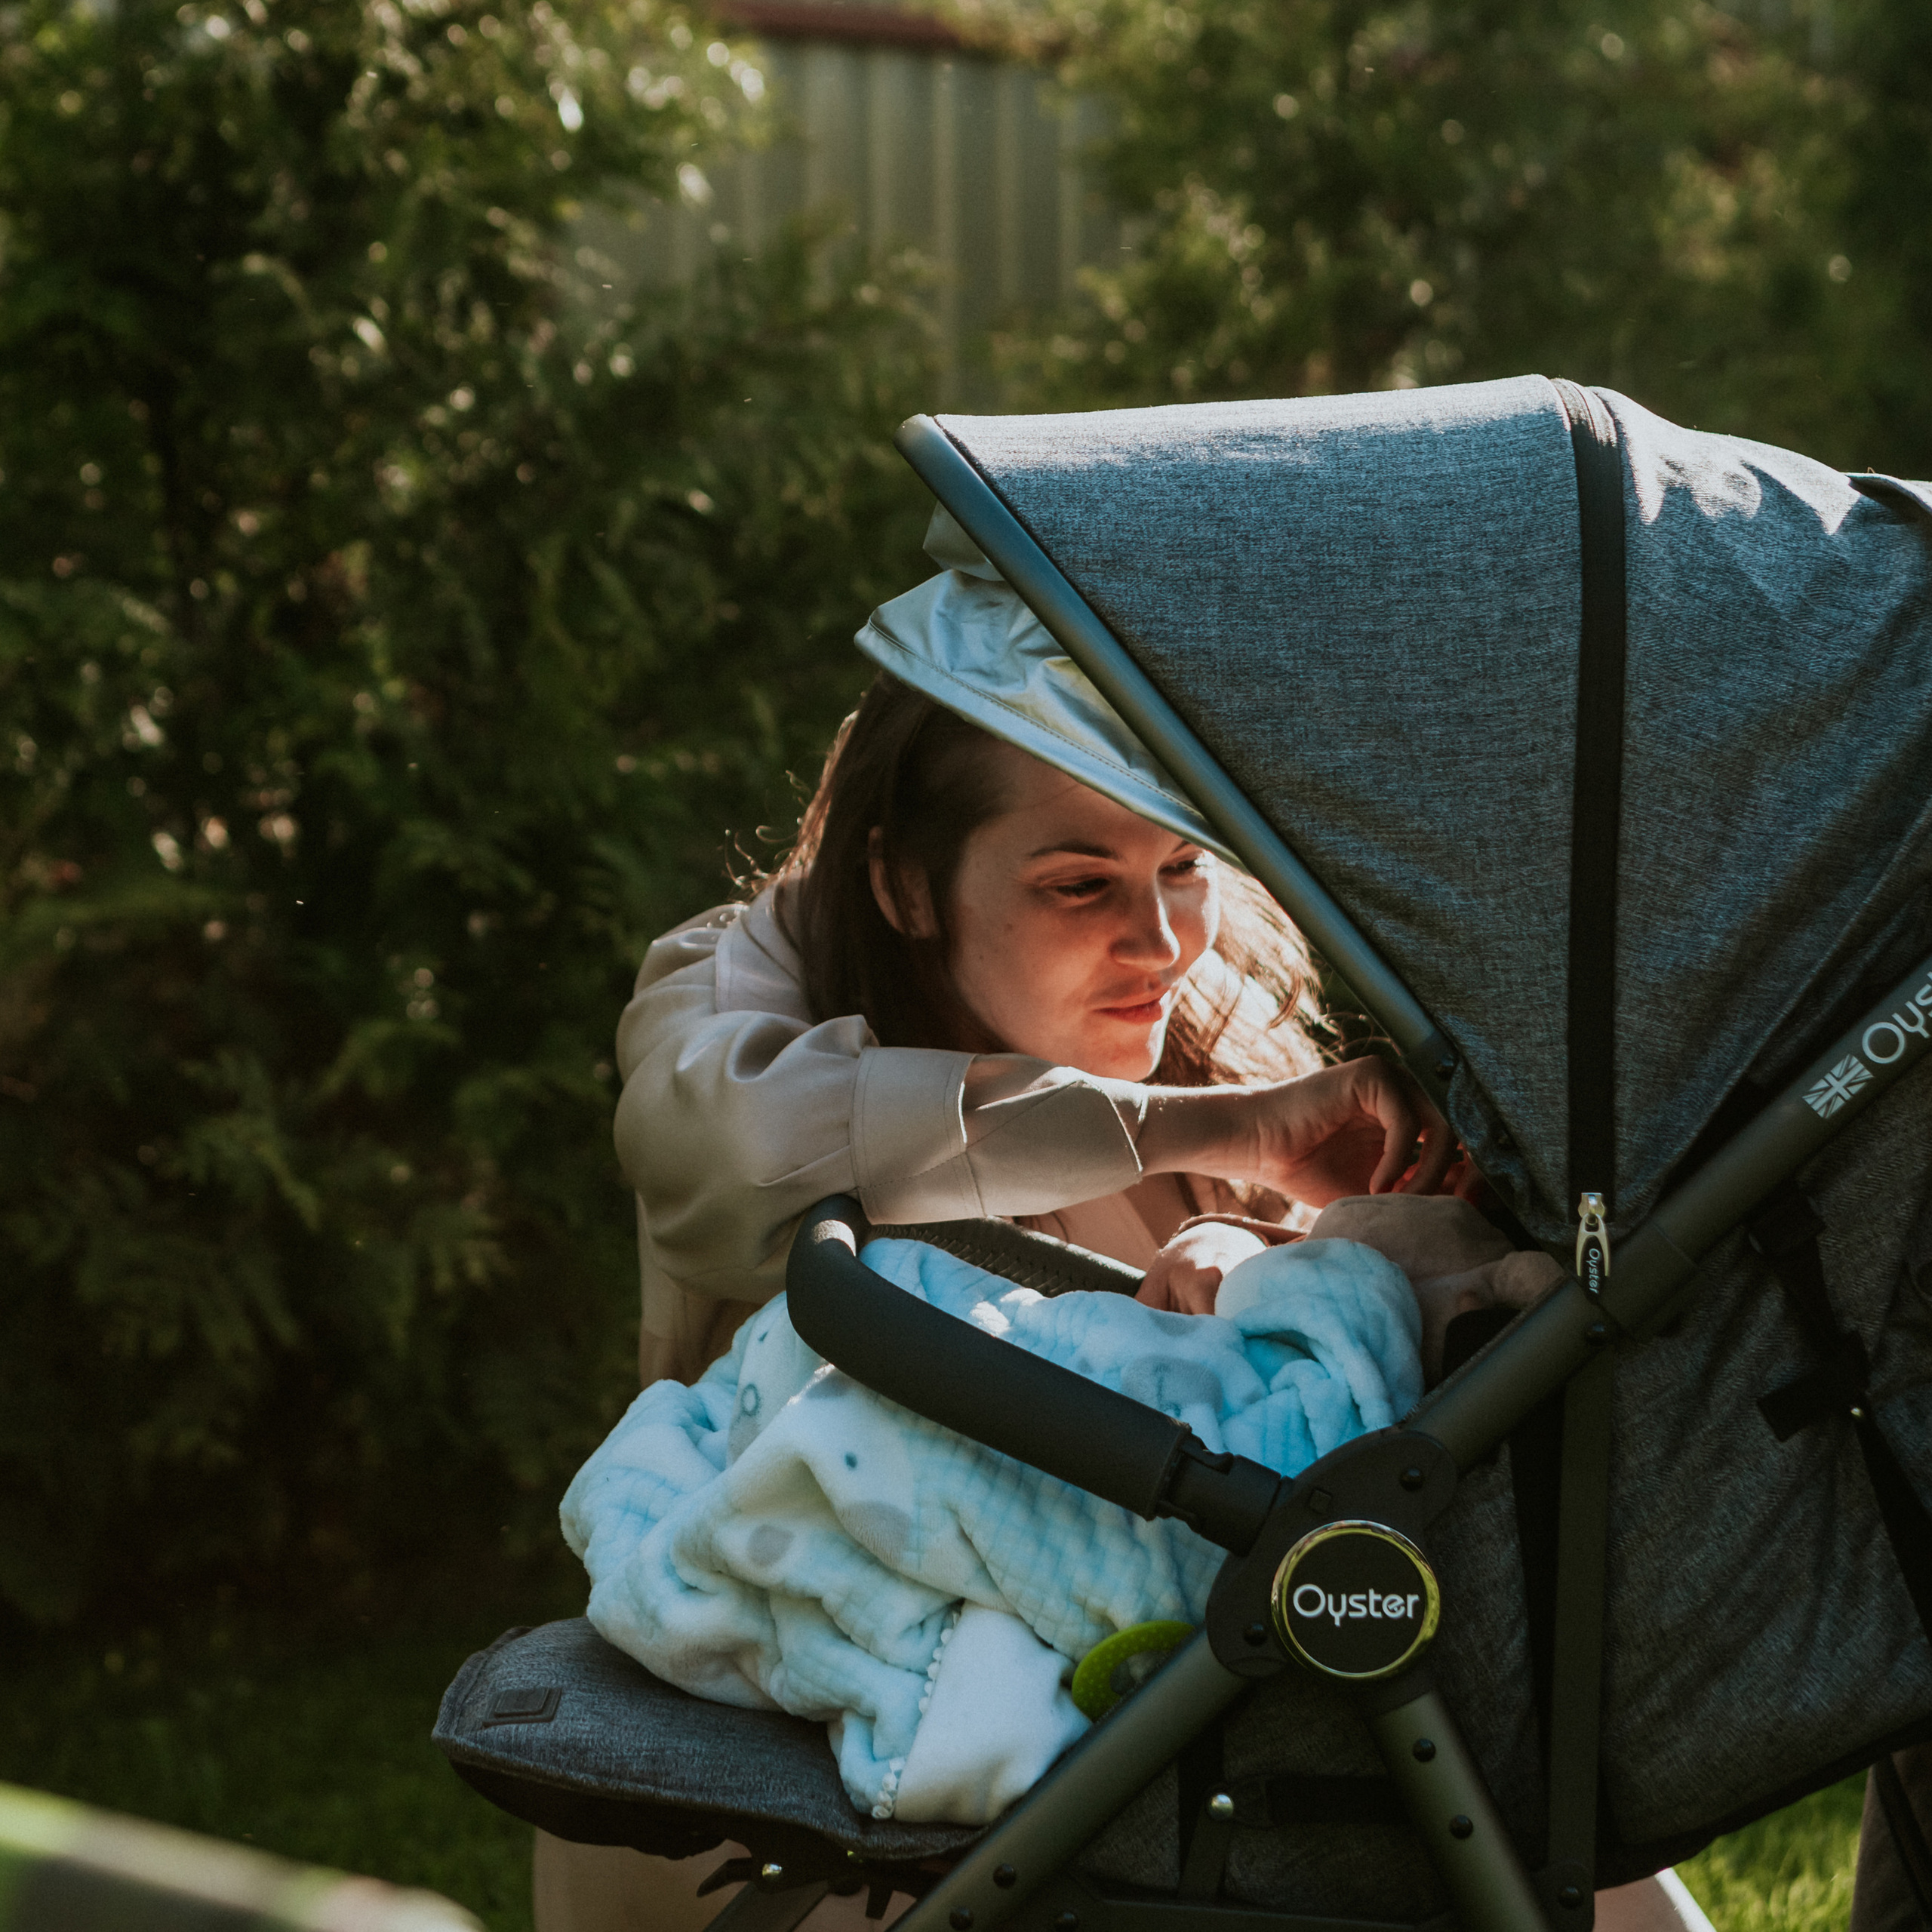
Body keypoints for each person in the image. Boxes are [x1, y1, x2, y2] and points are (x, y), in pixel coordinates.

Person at [535, 527, 1711, 1932]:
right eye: (1078, 885)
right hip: (835, 1753)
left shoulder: (1227, 1008)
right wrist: (1224, 1131)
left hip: (1235, 1702)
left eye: (1182, 868)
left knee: (1575, 1855)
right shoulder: (748, 989)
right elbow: (725, 1142)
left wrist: (1316, 1247)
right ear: (907, 885)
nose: (1161, 941)